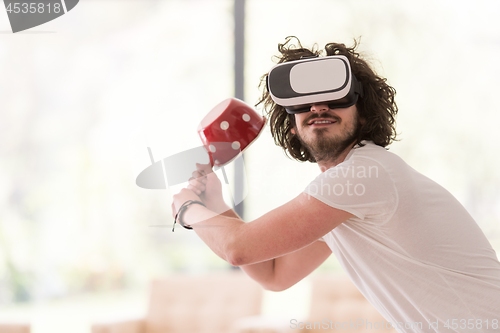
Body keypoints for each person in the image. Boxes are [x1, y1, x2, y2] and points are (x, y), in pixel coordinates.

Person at [171, 37, 500, 332]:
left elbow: (238, 250)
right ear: (291, 127)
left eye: (335, 96)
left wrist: (187, 208)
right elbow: (274, 275)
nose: (318, 106)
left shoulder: (366, 174)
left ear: (365, 115)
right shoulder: (343, 199)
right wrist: (217, 205)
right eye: (303, 103)